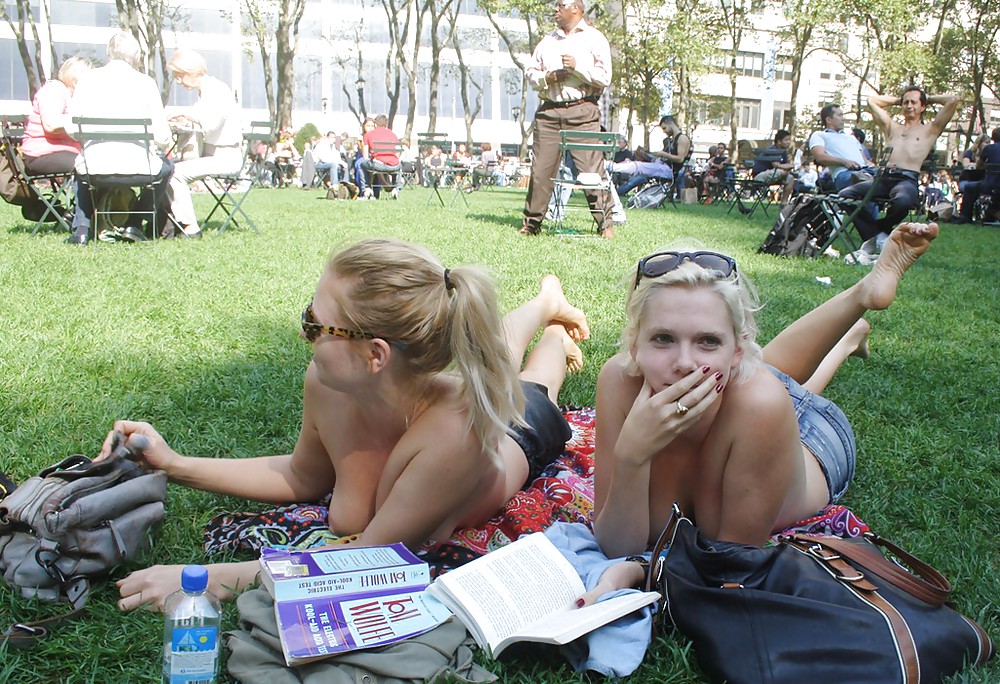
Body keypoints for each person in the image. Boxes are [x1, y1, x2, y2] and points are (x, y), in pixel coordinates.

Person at [98, 238, 591, 611]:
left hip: (516, 439)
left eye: (316, 324)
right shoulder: (328, 383)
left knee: (532, 386)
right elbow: (302, 477)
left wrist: (203, 579)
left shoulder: (452, 434)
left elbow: (372, 560)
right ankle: (547, 304)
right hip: (459, 405)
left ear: (374, 355)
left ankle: (551, 329)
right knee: (498, 358)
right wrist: (174, 464)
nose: (304, 334)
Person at [590, 222, 938, 575]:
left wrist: (640, 573)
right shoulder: (619, 381)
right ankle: (851, 329)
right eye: (663, 338)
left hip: (816, 440)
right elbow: (616, 544)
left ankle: (856, 315)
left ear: (737, 350)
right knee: (759, 376)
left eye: (708, 341)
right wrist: (632, 455)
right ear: (635, 347)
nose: (683, 364)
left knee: (762, 386)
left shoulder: (760, 402)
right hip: (747, 395)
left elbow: (729, 563)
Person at [67, 32, 173, 245]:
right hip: (140, 167)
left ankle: (81, 229)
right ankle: (134, 223)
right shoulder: (147, 83)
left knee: (81, 169)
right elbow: (162, 136)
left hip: (95, 165)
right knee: (167, 168)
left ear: (108, 53)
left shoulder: (87, 80)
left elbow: (71, 127)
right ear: (136, 56)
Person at [520, 0, 613, 238]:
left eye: (560, 5)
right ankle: (531, 225)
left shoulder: (594, 39)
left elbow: (604, 77)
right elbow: (531, 74)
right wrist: (547, 78)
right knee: (541, 171)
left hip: (583, 111)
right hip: (549, 112)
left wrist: (577, 67)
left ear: (576, 8)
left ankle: (606, 225)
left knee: (591, 170)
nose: (555, 10)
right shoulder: (546, 42)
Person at [839, 87, 958, 258]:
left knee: (903, 201)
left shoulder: (930, 129)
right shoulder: (891, 127)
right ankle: (877, 235)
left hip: (906, 179)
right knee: (845, 195)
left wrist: (927, 97)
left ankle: (880, 230)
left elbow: (952, 100)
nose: (909, 106)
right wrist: (899, 99)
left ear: (922, 106)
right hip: (883, 177)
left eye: (913, 102)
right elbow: (872, 100)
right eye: (906, 102)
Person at [165, 48, 243, 238]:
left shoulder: (217, 90)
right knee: (166, 169)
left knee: (175, 174)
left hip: (226, 157)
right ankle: (169, 222)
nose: (179, 81)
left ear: (193, 71)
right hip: (214, 154)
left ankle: (191, 227)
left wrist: (179, 113)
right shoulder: (207, 91)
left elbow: (210, 122)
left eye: (180, 75)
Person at [20, 56, 91, 175]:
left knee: (98, 162)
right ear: (76, 78)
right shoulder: (54, 90)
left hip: (66, 151)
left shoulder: (74, 97)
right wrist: (81, 119)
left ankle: (114, 193)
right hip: (42, 154)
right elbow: (51, 125)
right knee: (88, 165)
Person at [809, 104, 874, 192]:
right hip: (845, 173)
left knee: (892, 178)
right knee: (866, 183)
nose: (843, 118)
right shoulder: (820, 135)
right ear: (829, 120)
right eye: (839, 115)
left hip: (866, 170)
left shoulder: (851, 137)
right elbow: (820, 157)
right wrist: (844, 162)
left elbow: (865, 160)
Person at [951, 127, 1000, 224]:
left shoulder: (989, 149)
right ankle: (990, 214)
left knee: (969, 187)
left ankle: (965, 216)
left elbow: (979, 165)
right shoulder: (972, 152)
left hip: (990, 185)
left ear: (993, 138)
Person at [358, 114, 402, 200]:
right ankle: (396, 188)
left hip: (377, 164)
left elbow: (365, 156)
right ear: (386, 124)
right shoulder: (392, 134)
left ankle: (366, 188)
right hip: (393, 165)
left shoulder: (368, 135)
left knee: (362, 164)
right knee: (399, 167)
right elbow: (398, 150)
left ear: (375, 124)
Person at [751, 129, 796, 204]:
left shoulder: (784, 152)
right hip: (759, 176)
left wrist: (789, 166)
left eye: (789, 140)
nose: (789, 142)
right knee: (782, 171)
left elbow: (785, 166)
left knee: (790, 178)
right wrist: (790, 166)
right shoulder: (772, 150)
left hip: (774, 175)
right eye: (786, 140)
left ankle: (784, 203)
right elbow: (777, 165)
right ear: (779, 141)